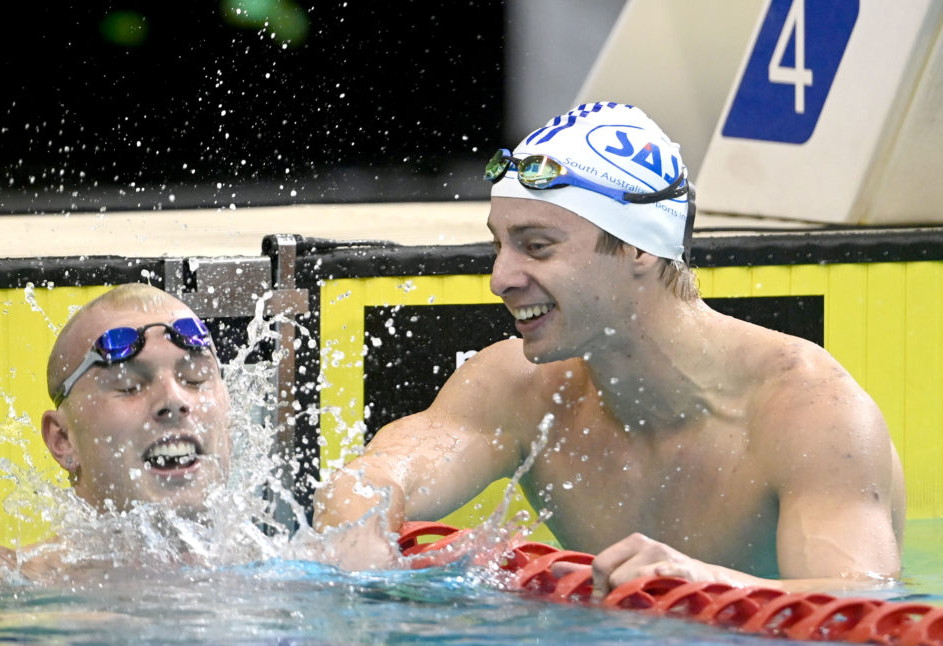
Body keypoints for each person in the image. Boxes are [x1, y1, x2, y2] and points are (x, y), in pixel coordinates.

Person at [313, 102, 905, 593]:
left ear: (640, 248)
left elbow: (861, 600)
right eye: (500, 246)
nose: (500, 278)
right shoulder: (518, 388)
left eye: (537, 247)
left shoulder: (810, 412)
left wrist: (710, 583)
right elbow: (375, 475)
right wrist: (359, 518)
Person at [0, 283, 231, 598]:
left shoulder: (274, 569)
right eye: (129, 387)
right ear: (63, 439)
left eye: (195, 378)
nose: (174, 400)